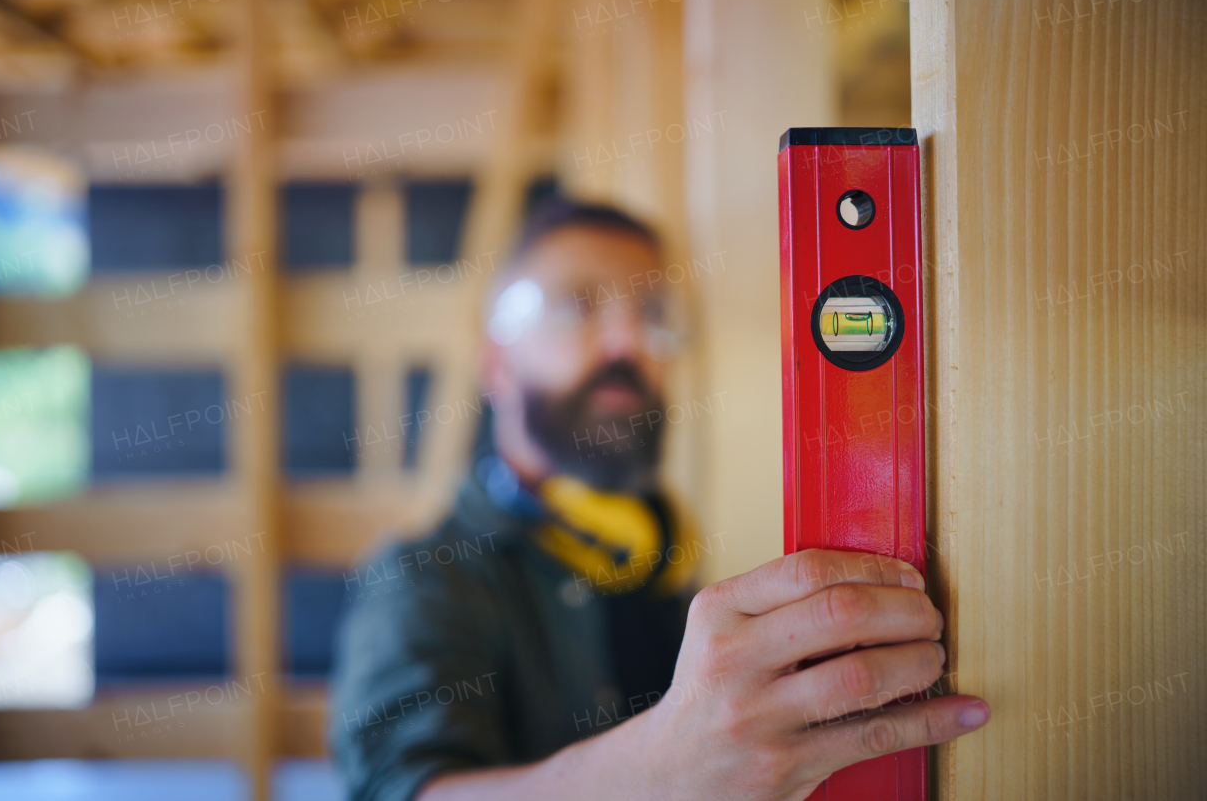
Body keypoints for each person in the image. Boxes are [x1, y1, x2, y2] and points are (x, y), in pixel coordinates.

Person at [328, 198, 989, 801]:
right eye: (574, 306)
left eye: (650, 315)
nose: (628, 342)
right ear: (498, 364)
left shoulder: (656, 560)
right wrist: (660, 770)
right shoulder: (424, 580)